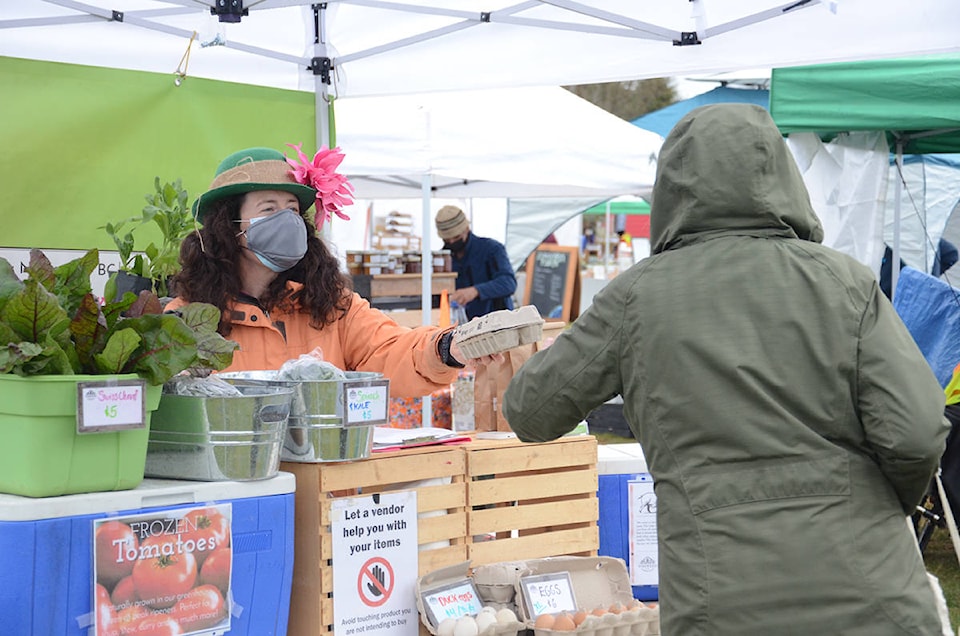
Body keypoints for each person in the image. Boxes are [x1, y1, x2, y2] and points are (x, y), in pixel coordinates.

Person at [502, 105, 951, 634]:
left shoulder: (637, 297)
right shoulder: (845, 283)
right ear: (784, 177)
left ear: (670, 187)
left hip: (722, 603)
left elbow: (529, 411)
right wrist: (876, 503)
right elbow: (918, 432)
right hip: (875, 591)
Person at [167, 145, 474, 397]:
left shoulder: (331, 305)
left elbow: (391, 349)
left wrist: (446, 347)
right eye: (269, 209)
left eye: (292, 210)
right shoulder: (188, 320)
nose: (286, 221)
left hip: (322, 467)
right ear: (227, 227)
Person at [434, 205, 516, 320]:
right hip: (458, 328)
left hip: (496, 325)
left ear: (466, 228)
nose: (452, 241)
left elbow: (508, 283)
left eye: (456, 237)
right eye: (447, 240)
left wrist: (476, 291)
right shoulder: (441, 260)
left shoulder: (492, 249)